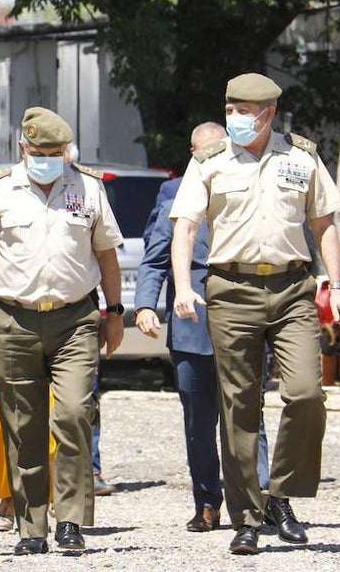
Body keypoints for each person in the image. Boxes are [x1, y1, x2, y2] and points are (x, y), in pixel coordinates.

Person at [170, 73, 340, 555]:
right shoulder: (210, 160)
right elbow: (185, 227)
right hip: (232, 289)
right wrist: (184, 286)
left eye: (243, 111)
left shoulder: (301, 156)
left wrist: (336, 285)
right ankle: (247, 518)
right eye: (229, 109)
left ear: (268, 114)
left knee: (306, 394)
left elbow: (324, 225)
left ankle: (281, 492)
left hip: (293, 287)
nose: (234, 118)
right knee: (240, 408)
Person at [0, 106, 125, 556]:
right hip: (13, 319)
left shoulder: (88, 187)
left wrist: (115, 312)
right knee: (22, 426)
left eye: (57, 151)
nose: (49, 158)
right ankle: (31, 527)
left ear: (68, 151)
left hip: (75, 320)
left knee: (73, 414)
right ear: (23, 148)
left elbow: (107, 253)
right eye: (41, 151)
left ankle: (70, 520)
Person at [134, 122, 272, 533]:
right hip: (193, 320)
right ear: (192, 154)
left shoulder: (253, 183)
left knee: (249, 414)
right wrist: (145, 304)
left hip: (247, 316)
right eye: (203, 152)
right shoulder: (174, 194)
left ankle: (257, 498)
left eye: (219, 150)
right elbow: (156, 255)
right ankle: (208, 501)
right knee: (199, 420)